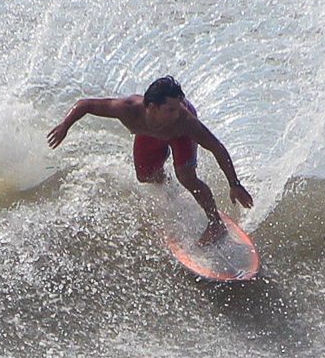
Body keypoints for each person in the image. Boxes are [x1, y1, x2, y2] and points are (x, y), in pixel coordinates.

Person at [47, 76, 253, 244]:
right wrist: (65, 125)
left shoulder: (185, 121)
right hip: (149, 134)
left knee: (187, 177)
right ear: (152, 107)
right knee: (145, 176)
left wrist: (234, 184)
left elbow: (217, 147)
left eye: (179, 106)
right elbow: (85, 105)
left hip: (180, 137)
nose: (177, 112)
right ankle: (169, 183)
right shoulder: (127, 109)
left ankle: (215, 223)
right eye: (171, 109)